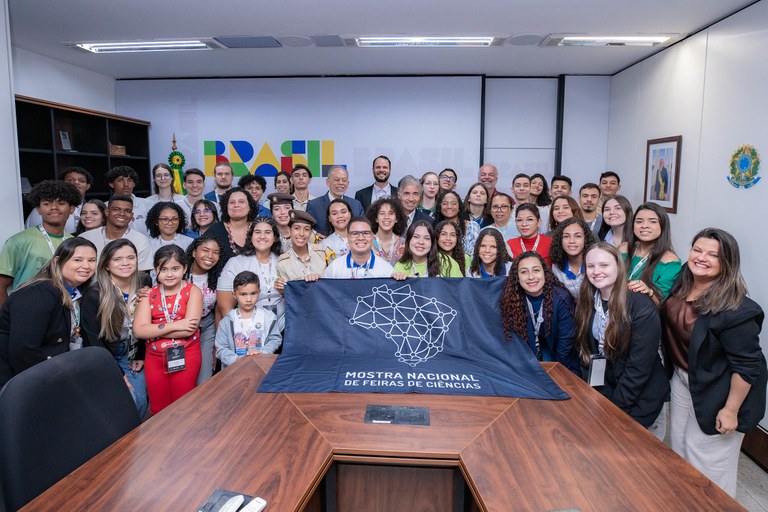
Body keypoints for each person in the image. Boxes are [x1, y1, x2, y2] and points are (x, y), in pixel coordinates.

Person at [663, 228, 767, 496]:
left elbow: (747, 367)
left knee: (709, 464)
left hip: (722, 389)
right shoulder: (683, 280)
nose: (701, 258)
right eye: (697, 250)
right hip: (685, 377)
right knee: (679, 447)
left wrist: (731, 410)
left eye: (713, 255)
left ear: (727, 262)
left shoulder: (738, 310)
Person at [575, 243, 669, 439]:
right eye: (591, 266)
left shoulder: (640, 305)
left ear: (618, 267)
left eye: (604, 265)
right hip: (610, 388)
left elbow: (639, 367)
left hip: (640, 396)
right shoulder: (589, 299)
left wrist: (615, 410)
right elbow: (591, 351)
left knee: (639, 458)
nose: (596, 271)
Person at [0, 237, 98, 386]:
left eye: (91, 260)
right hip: (20, 381)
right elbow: (23, 351)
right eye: (78, 260)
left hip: (52, 371)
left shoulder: (77, 292)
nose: (86, 266)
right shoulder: (39, 293)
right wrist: (44, 386)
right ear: (57, 261)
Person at [80, 239, 150, 417]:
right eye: (117, 259)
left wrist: (139, 353)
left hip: (133, 351)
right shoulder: (94, 295)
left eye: (130, 257)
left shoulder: (144, 282)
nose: (125, 263)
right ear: (106, 265)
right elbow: (93, 340)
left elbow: (145, 321)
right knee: (128, 401)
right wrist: (117, 373)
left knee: (141, 401)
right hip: (108, 353)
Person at [133, 245, 203, 415]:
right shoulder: (148, 294)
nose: (169, 274)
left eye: (175, 268)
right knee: (158, 408)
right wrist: (176, 325)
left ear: (185, 268)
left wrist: (154, 329)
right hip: (154, 359)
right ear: (155, 270)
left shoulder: (192, 291)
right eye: (163, 269)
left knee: (184, 405)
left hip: (186, 355)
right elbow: (139, 331)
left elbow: (189, 329)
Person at [0, 180, 80, 305]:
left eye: (61, 203)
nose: (54, 207)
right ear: (38, 209)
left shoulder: (75, 243)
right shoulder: (19, 241)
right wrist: (6, 319)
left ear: (71, 208)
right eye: (47, 203)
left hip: (65, 311)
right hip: (27, 312)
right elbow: (1, 285)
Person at [500, 251, 579, 375]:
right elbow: (512, 344)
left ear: (544, 272)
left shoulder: (561, 298)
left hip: (559, 360)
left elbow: (565, 347)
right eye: (524, 272)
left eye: (536, 270)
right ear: (517, 277)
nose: (531, 277)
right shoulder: (512, 299)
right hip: (528, 361)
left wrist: (557, 375)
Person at [216, 218, 284, 328]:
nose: (262, 236)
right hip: (247, 329)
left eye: (267, 232)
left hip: (283, 327)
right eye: (257, 232)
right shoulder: (236, 263)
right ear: (251, 236)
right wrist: (241, 332)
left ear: (275, 237)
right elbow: (225, 307)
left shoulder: (284, 261)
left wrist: (285, 291)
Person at [215, 271, 282, 369]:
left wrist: (263, 353)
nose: (249, 299)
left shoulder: (268, 317)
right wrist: (235, 360)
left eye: (253, 293)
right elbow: (221, 348)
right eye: (243, 294)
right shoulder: (226, 321)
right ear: (234, 295)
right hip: (235, 370)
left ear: (258, 293)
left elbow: (275, 339)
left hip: (261, 368)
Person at [623, 202, 682, 304]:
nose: (644, 226)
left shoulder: (670, 261)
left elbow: (660, 303)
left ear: (663, 225)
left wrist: (649, 291)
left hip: (641, 313)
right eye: (639, 221)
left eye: (653, 222)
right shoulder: (623, 249)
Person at [78, 194, 154, 272]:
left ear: (132, 215)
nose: (122, 214)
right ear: (107, 212)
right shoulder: (85, 238)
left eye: (127, 211)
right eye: (116, 209)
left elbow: (142, 276)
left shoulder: (141, 241)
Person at [184, 236, 223, 385]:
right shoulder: (180, 273)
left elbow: (219, 308)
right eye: (205, 250)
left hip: (206, 327)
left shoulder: (218, 276)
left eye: (215, 252)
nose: (210, 256)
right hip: (181, 328)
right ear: (194, 252)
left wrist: (216, 344)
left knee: (204, 379)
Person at [25, 166, 93, 233]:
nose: (76, 182)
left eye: (81, 181)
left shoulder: (92, 207)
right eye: (70, 180)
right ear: (62, 183)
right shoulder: (44, 209)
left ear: (88, 186)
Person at [323, 217, 396, 279]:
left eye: (365, 233)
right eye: (355, 233)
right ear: (348, 238)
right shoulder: (335, 267)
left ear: (373, 237)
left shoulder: (385, 269)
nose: (360, 238)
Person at [205, 187, 259, 264]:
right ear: (226, 207)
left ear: (250, 206)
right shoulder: (215, 230)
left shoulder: (259, 228)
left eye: (241, 201)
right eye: (232, 202)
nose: (236, 205)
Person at [393, 221, 462, 278]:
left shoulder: (447, 262)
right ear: (408, 240)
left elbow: (460, 290)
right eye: (416, 237)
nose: (421, 242)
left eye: (426, 238)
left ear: (432, 243)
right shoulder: (400, 266)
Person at [306, 166, 364, 235]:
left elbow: (362, 229)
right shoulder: (314, 205)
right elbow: (307, 229)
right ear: (328, 182)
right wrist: (315, 236)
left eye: (344, 180)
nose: (341, 183)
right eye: (337, 180)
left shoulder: (356, 205)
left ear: (348, 184)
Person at [549, 218, 596, 299]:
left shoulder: (595, 264)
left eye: (578, 236)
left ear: (585, 239)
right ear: (560, 240)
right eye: (566, 236)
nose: (572, 241)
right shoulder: (556, 267)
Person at [276, 211, 327, 282]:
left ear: (311, 233)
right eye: (297, 228)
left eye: (306, 229)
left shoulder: (324, 253)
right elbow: (287, 291)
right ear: (289, 231)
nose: (301, 234)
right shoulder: (283, 262)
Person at [105, 165, 152, 236]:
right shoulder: (104, 207)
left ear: (134, 184)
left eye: (129, 180)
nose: (126, 184)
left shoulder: (148, 204)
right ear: (111, 184)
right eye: (120, 180)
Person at [434, 191, 480, 255]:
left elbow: (475, 255)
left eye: (454, 203)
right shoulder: (434, 227)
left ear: (459, 207)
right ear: (440, 207)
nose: (449, 206)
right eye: (445, 203)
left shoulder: (472, 226)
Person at [367, 197, 407, 265]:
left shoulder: (403, 244)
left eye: (391, 213)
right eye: (382, 213)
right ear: (376, 218)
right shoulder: (367, 242)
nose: (386, 217)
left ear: (396, 218)